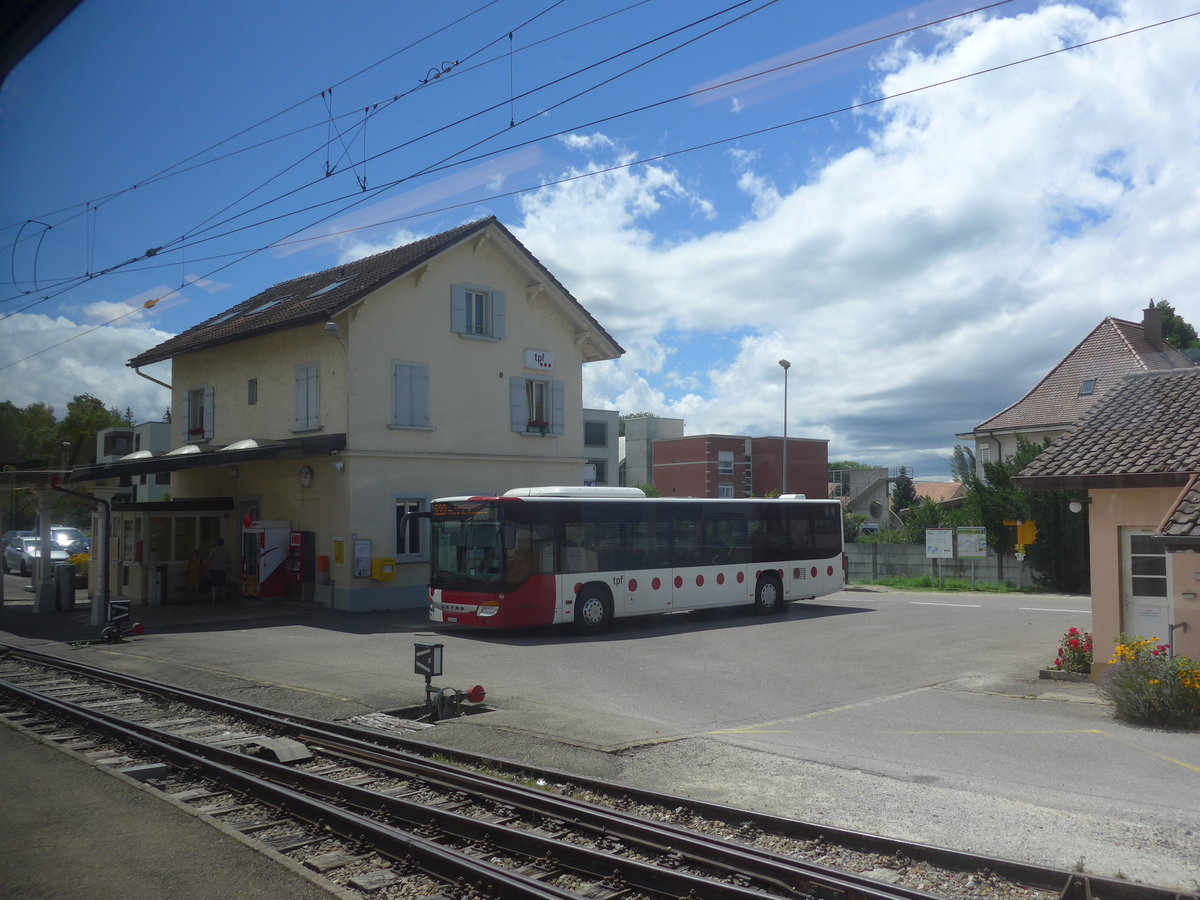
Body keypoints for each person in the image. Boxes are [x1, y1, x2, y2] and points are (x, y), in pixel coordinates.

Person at [206, 538, 229, 603]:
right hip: (222, 569)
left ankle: (213, 599)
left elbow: (209, 559)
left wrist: (207, 568)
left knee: (213, 585)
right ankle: (222, 598)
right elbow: (228, 560)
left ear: (217, 543)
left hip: (214, 568)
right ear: (223, 543)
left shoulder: (213, 550)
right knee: (222, 584)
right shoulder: (225, 551)